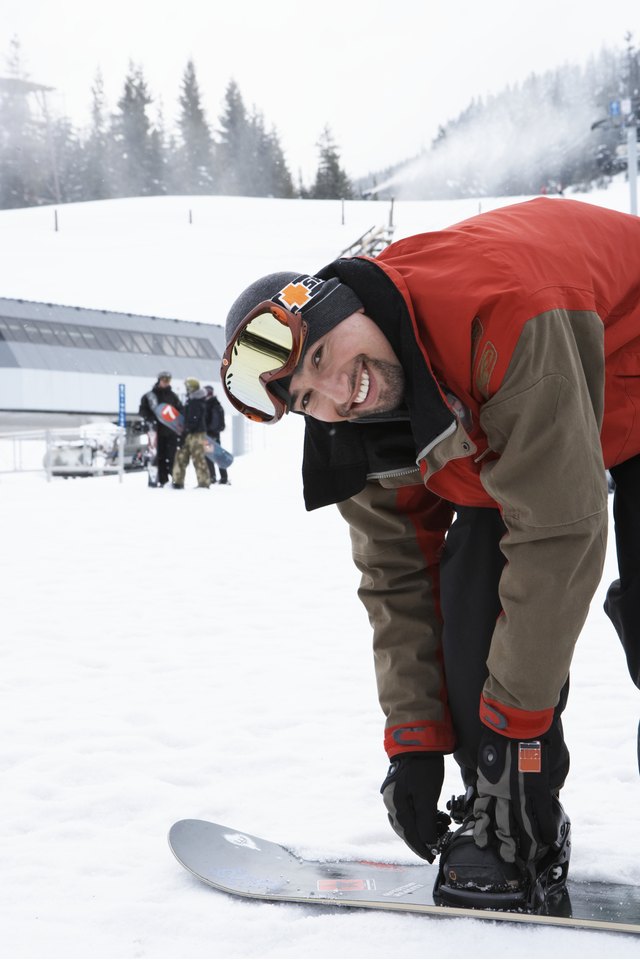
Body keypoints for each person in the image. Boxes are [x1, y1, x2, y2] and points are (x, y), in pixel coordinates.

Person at [220, 197, 640, 910]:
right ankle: (514, 824)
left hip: (602, 358)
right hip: (544, 424)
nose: (334, 395)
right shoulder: (355, 420)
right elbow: (397, 578)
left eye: (322, 357)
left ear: (352, 305)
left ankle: (512, 784)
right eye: (304, 397)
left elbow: (560, 532)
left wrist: (515, 730)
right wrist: (413, 738)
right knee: (472, 600)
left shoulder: (495, 312)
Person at [138, 371, 183, 487]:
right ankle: (163, 480)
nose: (166, 383)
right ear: (159, 380)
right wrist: (151, 418)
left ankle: (175, 480)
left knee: (172, 456)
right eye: (164, 380)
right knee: (159, 457)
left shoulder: (173, 396)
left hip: (171, 431)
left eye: (168, 381)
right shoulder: (149, 396)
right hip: (156, 432)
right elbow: (142, 411)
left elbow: (180, 411)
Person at [171, 378, 211, 489]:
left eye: (187, 387)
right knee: (181, 456)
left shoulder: (196, 401)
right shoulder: (191, 400)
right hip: (189, 433)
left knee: (197, 458)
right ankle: (177, 481)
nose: (186, 389)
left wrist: (186, 430)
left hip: (196, 434)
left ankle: (203, 483)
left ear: (191, 388)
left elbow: (194, 419)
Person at [204, 385, 230, 485]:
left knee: (211, 455)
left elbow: (214, 423)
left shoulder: (212, 405)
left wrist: (206, 430)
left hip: (210, 436)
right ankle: (221, 477)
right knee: (216, 455)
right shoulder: (215, 405)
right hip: (213, 435)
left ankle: (214, 477)